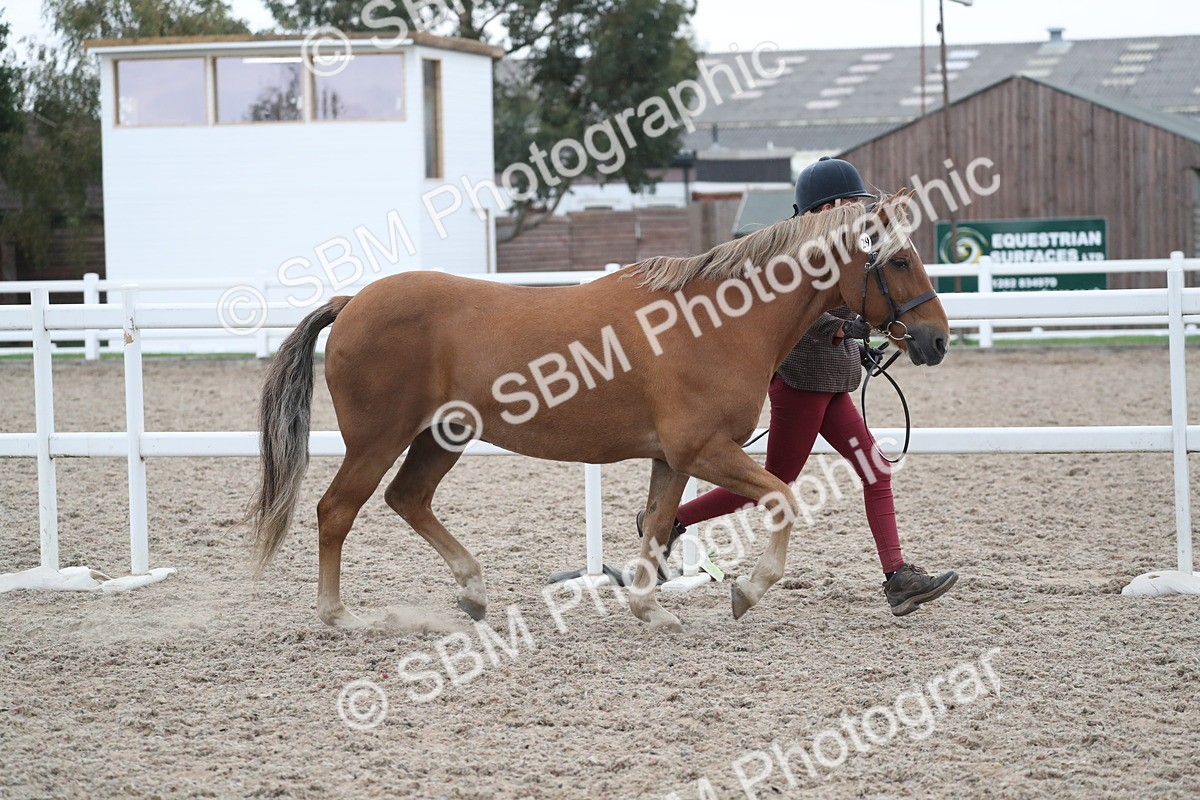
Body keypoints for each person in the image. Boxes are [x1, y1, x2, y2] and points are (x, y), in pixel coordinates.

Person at [638, 157, 957, 617]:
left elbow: (856, 297)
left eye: (858, 202)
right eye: (848, 202)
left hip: (834, 384)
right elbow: (783, 314)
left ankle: (898, 577)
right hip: (803, 382)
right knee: (776, 479)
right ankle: (670, 521)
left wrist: (866, 338)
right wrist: (846, 330)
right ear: (823, 207)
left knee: (875, 470)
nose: (856, 210)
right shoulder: (794, 254)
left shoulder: (849, 248)